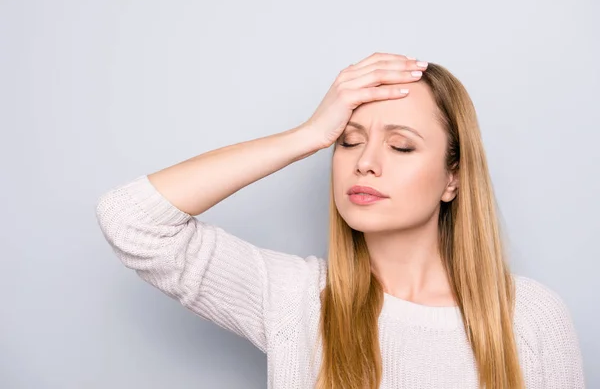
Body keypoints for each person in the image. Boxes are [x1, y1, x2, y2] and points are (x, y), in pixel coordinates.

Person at [95, 52, 585, 388]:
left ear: (452, 178)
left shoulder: (529, 316)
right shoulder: (296, 299)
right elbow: (131, 220)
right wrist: (307, 134)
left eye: (400, 145)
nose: (364, 161)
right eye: (348, 141)